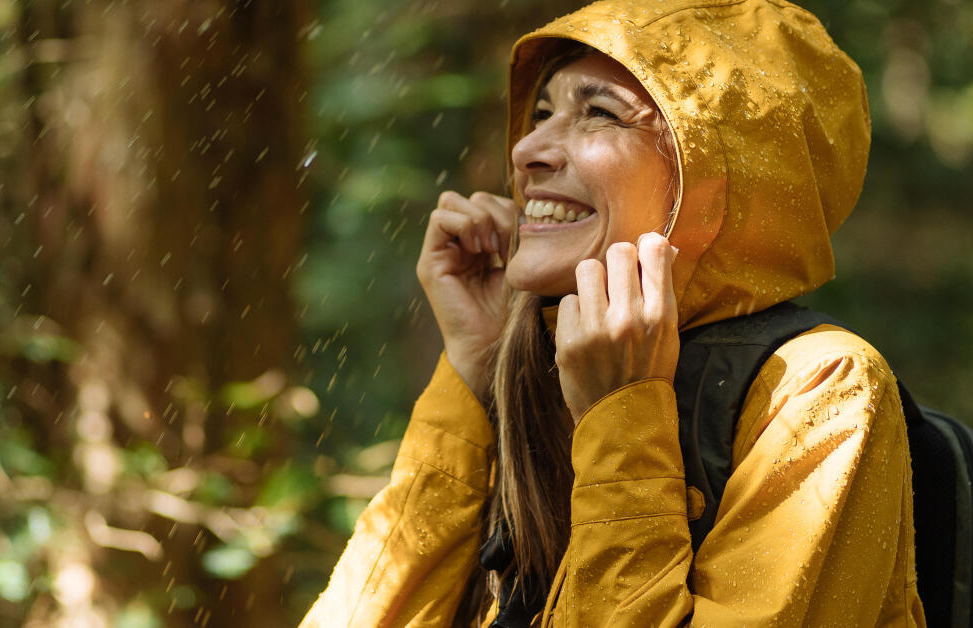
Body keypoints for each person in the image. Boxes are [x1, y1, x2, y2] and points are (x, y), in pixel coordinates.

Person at [301, 0, 926, 625]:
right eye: (541, 112)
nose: (527, 150)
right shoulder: (543, 364)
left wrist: (624, 414)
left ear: (720, 173)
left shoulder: (821, 388)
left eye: (598, 114)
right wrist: (474, 370)